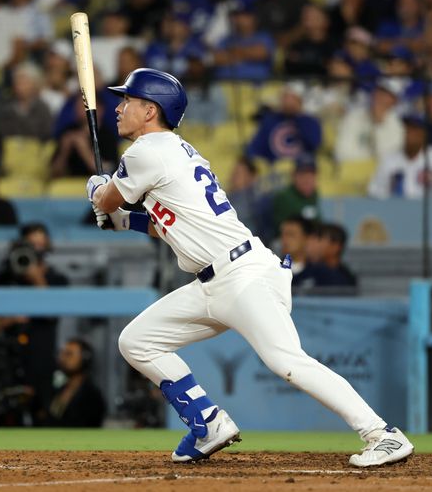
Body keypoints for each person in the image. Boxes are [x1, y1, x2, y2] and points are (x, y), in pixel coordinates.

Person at [86, 68, 413, 466]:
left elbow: (105, 199)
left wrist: (99, 192)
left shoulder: (145, 151)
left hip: (243, 276)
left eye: (128, 101)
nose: (118, 108)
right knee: (137, 340)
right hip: (214, 281)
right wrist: (124, 219)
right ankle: (207, 423)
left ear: (151, 110)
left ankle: (382, 434)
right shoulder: (170, 151)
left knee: (287, 362)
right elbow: (167, 226)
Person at [0, 223, 68, 425]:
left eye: (40, 245)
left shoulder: (57, 279)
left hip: (41, 359)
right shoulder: (2, 279)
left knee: (43, 419)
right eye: (31, 245)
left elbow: (53, 315)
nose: (35, 251)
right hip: (8, 359)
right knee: (6, 419)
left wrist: (37, 278)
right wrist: (11, 320)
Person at [368, 113, 432, 199]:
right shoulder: (390, 159)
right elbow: (374, 191)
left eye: (415, 129)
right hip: (397, 209)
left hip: (431, 210)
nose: (409, 133)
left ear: (424, 134)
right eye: (408, 129)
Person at [245, 83, 321, 162]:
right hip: (273, 169)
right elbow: (255, 148)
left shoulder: (311, 122)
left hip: (301, 168)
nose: (287, 102)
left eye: (292, 98)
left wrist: (298, 117)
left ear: (299, 101)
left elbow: (314, 144)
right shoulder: (270, 120)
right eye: (285, 97)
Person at [334, 78, 404, 164]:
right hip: (352, 171)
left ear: (394, 101)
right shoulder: (354, 116)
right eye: (379, 91)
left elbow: (388, 158)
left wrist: (379, 125)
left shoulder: (397, 126)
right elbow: (340, 153)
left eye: (387, 94)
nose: (380, 96)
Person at [46, 338, 106, 427]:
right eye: (62, 353)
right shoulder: (57, 389)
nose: (63, 358)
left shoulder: (91, 395)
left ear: (84, 358)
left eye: (69, 354)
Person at [0, 62, 52, 142]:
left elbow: (47, 133)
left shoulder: (43, 108)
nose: (18, 85)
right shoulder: (6, 108)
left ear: (34, 84)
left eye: (23, 81)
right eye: (17, 81)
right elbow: (0, 131)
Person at [271, 154, 321, 232]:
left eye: (311, 175)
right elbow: (282, 230)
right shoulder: (284, 197)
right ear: (294, 176)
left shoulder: (314, 194)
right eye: (302, 175)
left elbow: (317, 220)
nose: (307, 180)